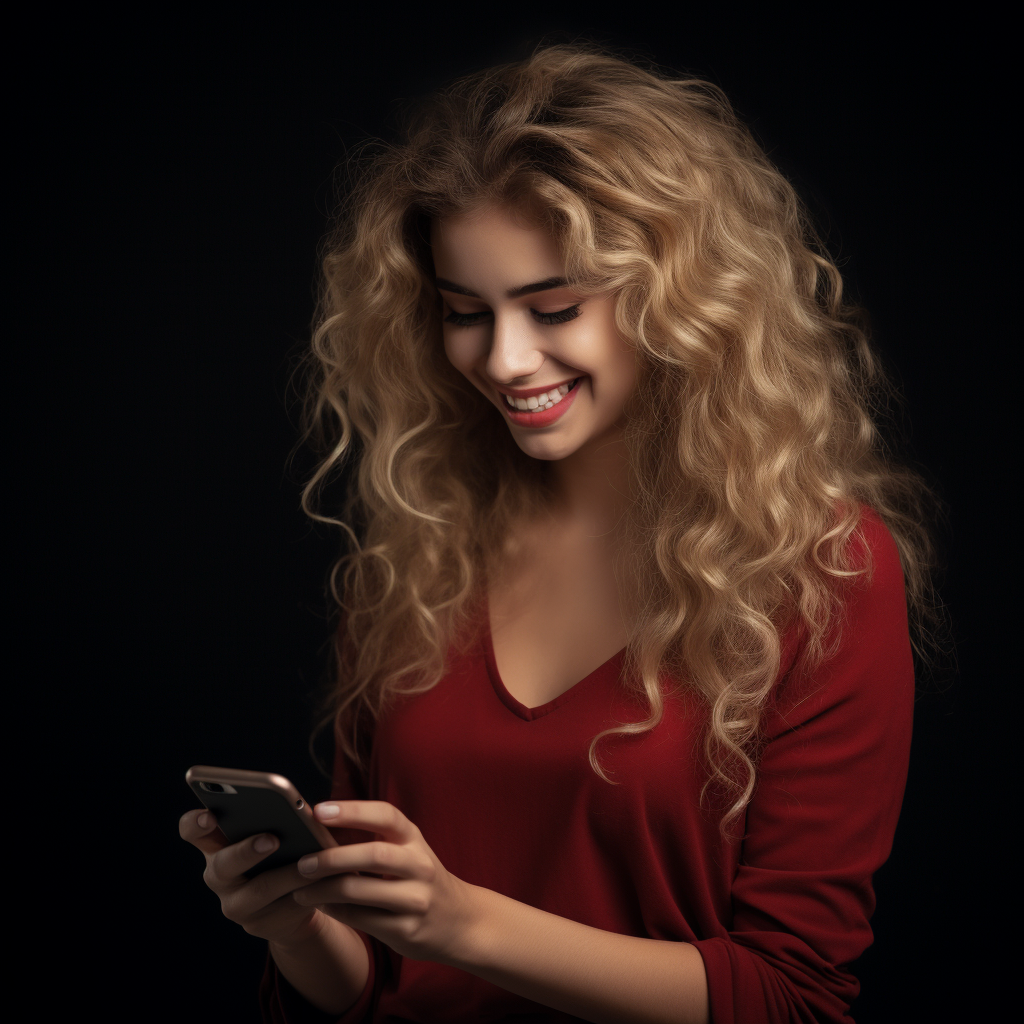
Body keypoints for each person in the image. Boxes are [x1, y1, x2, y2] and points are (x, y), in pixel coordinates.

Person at [180, 41, 941, 1023]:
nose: (502, 359)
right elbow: (379, 985)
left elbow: (790, 995)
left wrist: (464, 923)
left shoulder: (821, 572)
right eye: (464, 312)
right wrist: (294, 923)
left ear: (679, 295)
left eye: (554, 308)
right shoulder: (419, 556)